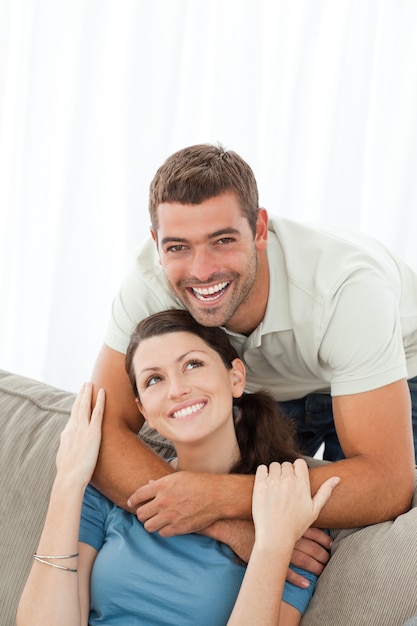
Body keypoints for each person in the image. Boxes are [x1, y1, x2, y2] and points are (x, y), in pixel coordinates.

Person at [91, 143, 416, 560]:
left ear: (260, 230)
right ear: (156, 243)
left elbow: (387, 483)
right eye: (178, 247)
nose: (201, 270)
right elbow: (98, 433)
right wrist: (222, 521)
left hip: (394, 368)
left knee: (369, 539)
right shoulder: (148, 286)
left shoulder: (345, 291)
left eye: (222, 240)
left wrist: (224, 495)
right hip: (265, 383)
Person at [17, 310, 340, 626]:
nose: (176, 390)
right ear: (143, 408)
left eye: (193, 364)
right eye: (154, 379)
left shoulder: (283, 505)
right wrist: (69, 480)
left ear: (236, 377)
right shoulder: (106, 491)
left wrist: (270, 547)